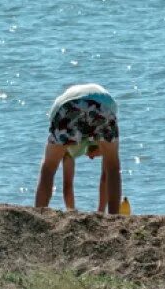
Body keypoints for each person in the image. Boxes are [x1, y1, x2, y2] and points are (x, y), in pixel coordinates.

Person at [34, 83, 122, 213]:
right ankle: (114, 217)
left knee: (49, 167)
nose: (92, 157)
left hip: (66, 107)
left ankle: (39, 213)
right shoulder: (89, 144)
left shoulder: (71, 148)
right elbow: (107, 175)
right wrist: (100, 211)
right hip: (103, 106)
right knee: (113, 167)